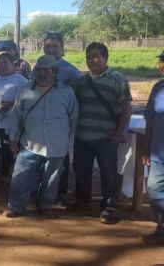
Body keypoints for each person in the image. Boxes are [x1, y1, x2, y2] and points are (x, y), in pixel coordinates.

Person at [3, 55, 78, 218]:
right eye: (39, 70)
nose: (42, 73)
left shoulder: (67, 92)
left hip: (56, 145)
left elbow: (74, 118)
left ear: (55, 71)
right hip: (29, 143)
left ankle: (45, 205)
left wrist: (62, 137)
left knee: (51, 179)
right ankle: (16, 206)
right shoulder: (25, 90)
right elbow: (15, 116)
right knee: (21, 177)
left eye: (46, 70)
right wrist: (13, 138)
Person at [69, 42, 132, 224]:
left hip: (107, 138)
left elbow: (126, 109)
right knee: (81, 171)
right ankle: (82, 201)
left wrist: (119, 134)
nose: (92, 60)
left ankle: (109, 206)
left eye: (96, 56)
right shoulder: (80, 82)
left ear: (106, 58)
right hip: (82, 136)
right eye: (89, 57)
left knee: (108, 173)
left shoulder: (118, 78)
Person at [36, 33, 81, 205]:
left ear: (62, 48)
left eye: (55, 46)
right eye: (48, 46)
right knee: (40, 157)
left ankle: (60, 192)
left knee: (60, 159)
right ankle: (42, 190)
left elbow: (78, 96)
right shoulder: (38, 68)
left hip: (60, 123)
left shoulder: (71, 71)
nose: (51, 49)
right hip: (40, 122)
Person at [0, 53, 28, 187]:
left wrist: (10, 104)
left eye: (5, 62)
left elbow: (25, 101)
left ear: (12, 64)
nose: (2, 65)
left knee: (7, 149)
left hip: (10, 124)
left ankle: (4, 174)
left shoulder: (20, 80)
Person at [140, 51, 164, 244]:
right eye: (162, 61)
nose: (162, 64)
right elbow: (149, 120)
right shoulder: (157, 88)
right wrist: (146, 148)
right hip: (158, 154)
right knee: (154, 191)